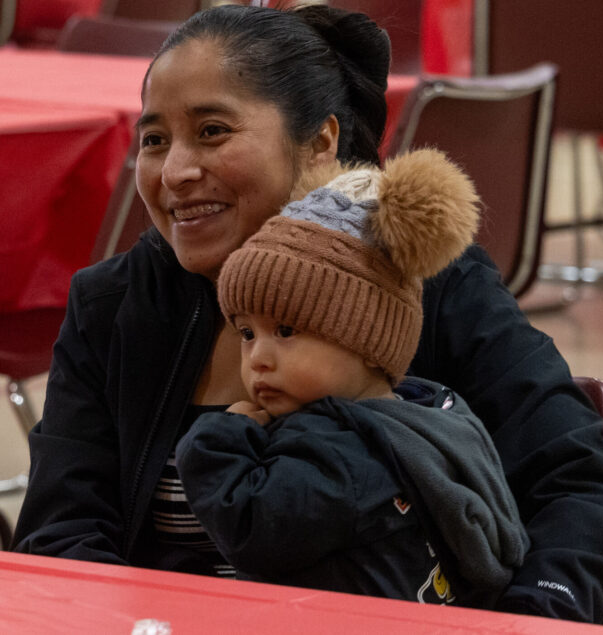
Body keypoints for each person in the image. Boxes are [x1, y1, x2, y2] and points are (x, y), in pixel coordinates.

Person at [12, 3, 603, 624]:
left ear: (321, 141)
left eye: (213, 131)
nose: (176, 170)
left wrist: (524, 621)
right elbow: (59, 529)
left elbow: (585, 496)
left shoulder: (428, 284)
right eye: (154, 140)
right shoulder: (115, 306)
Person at [173, 149, 530, 608]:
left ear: (366, 338)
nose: (258, 358)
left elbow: (251, 528)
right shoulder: (430, 418)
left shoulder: (340, 452)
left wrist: (220, 436)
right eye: (246, 333)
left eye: (286, 331)